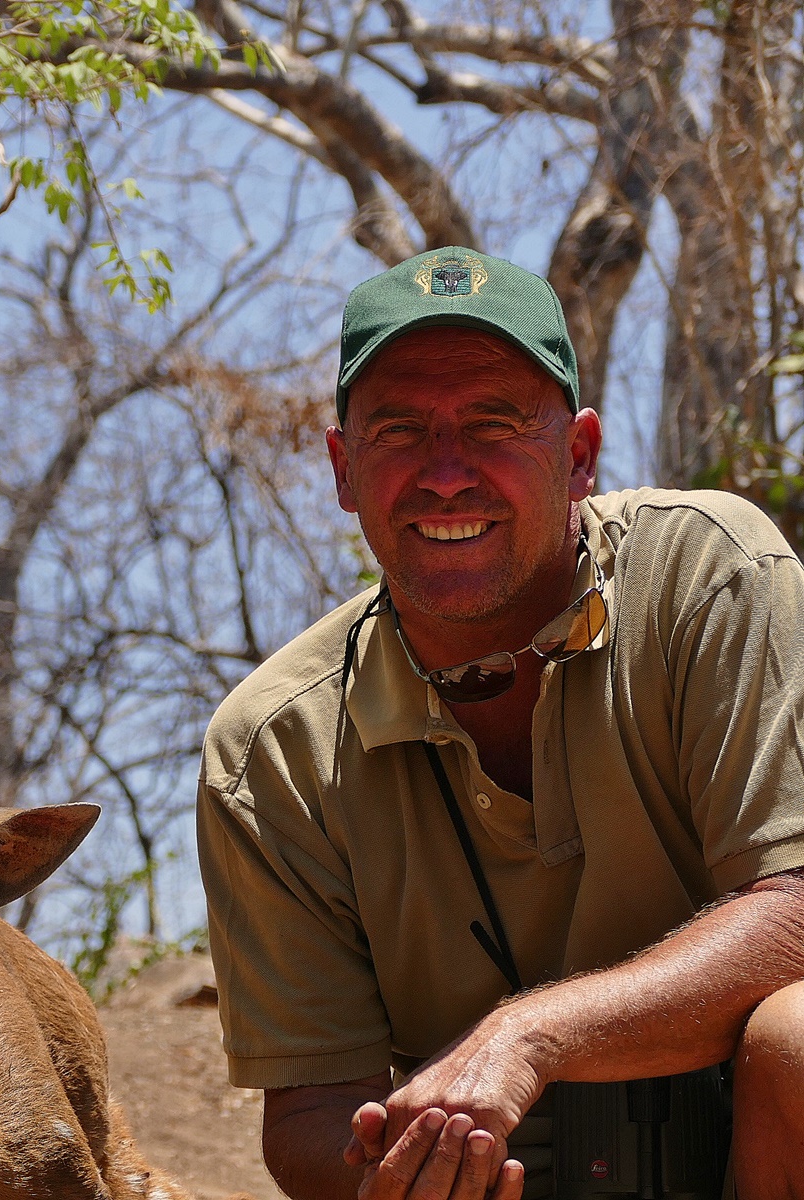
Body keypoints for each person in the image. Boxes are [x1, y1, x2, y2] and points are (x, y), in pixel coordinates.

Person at [194, 246, 804, 1200]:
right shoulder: (270, 747)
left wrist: (529, 1035)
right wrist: (401, 1168)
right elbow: (310, 1112)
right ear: (343, 469)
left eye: (494, 421)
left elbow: (798, 911)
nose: (446, 474)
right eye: (399, 430)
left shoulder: (711, 574)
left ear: (580, 455)